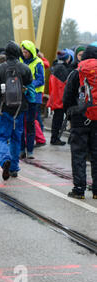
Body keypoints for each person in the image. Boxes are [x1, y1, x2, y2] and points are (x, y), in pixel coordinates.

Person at [0, 41, 33, 180]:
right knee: (16, 138)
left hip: (3, 108)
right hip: (20, 109)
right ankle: (14, 168)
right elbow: (30, 85)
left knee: (1, 137)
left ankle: (5, 159)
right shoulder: (25, 68)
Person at [63, 45, 97, 199]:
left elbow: (68, 96)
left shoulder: (76, 73)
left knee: (79, 154)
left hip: (79, 117)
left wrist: (69, 114)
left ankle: (79, 189)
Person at [20, 40, 45, 159]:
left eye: (26, 52)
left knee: (30, 124)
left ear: (31, 52)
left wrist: (28, 85)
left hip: (34, 98)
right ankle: (21, 149)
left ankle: (30, 150)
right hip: (21, 97)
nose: (24, 54)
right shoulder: (20, 61)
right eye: (23, 52)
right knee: (20, 124)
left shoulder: (38, 62)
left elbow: (41, 80)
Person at [47, 50, 75, 145]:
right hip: (60, 98)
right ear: (68, 58)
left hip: (55, 97)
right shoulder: (63, 69)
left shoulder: (55, 67)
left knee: (57, 118)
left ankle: (55, 138)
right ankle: (55, 138)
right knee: (58, 119)